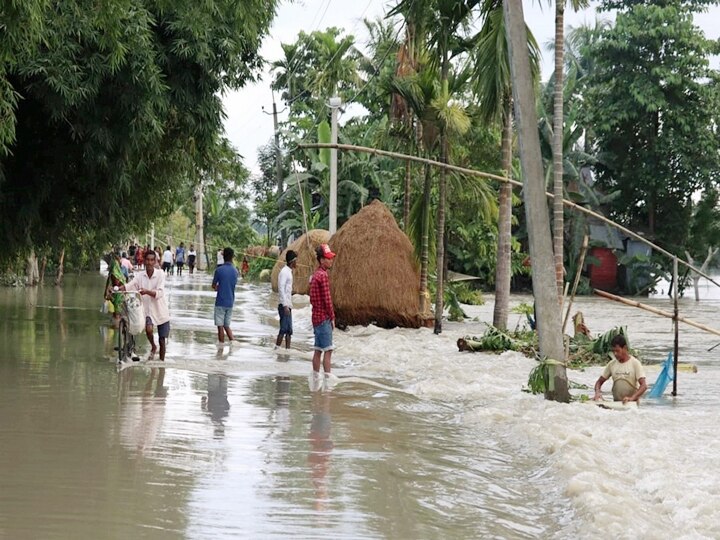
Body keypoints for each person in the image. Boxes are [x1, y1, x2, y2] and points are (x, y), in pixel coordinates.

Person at [119, 250, 171, 361]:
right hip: (147, 310)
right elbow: (130, 285)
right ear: (144, 261)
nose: (149, 262)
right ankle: (153, 345)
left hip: (161, 311)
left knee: (162, 340)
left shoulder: (160, 274)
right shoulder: (140, 276)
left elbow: (159, 293)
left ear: (155, 261)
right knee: (148, 330)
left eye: (152, 260)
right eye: (147, 260)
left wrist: (147, 291)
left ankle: (161, 365)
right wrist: (119, 289)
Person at [309, 244, 336, 386]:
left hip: (315, 318)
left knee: (318, 350)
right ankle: (327, 383)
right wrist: (332, 317)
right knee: (328, 351)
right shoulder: (323, 276)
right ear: (321, 260)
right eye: (328, 258)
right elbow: (327, 299)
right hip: (324, 318)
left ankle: (315, 379)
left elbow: (312, 299)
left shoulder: (315, 275)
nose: (331, 261)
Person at [593, 334, 647, 403]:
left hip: (631, 404)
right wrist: (597, 393)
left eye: (617, 351)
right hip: (616, 403)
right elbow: (599, 382)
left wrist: (632, 398)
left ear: (625, 348)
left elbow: (644, 386)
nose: (615, 354)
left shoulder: (635, 363)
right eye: (613, 351)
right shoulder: (611, 364)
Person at [212, 247, 239, 345]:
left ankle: (221, 347)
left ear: (223, 256)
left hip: (220, 302)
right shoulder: (236, 271)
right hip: (230, 302)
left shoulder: (219, 270)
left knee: (220, 326)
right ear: (232, 257)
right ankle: (233, 342)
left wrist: (218, 287)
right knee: (226, 325)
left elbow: (214, 286)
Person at [276, 250, 298, 349]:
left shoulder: (289, 272)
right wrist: (285, 305)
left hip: (288, 305)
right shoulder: (284, 272)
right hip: (284, 305)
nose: (296, 262)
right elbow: (281, 288)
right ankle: (277, 349)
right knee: (283, 329)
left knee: (289, 330)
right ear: (292, 261)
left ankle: (287, 351)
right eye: (296, 260)